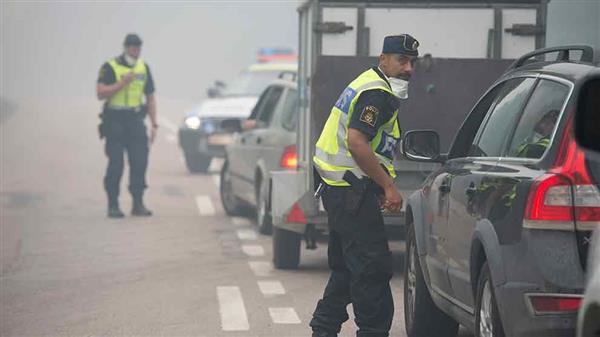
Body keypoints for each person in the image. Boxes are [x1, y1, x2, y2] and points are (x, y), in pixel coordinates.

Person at [310, 34, 419, 337]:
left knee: (347, 268)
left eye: (412, 62)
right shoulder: (377, 93)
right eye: (402, 60)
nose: (408, 68)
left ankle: (323, 330)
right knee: (372, 269)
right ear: (383, 59)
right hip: (350, 191)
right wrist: (388, 187)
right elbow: (357, 142)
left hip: (341, 189)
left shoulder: (369, 83)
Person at [96, 33, 158, 218]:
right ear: (125, 47)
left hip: (135, 120)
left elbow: (150, 97)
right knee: (116, 164)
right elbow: (100, 93)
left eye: (138, 47)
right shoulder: (110, 67)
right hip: (114, 120)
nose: (136, 50)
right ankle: (113, 205)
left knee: (140, 162)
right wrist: (121, 83)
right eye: (132, 47)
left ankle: (138, 204)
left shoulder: (143, 67)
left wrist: (154, 124)